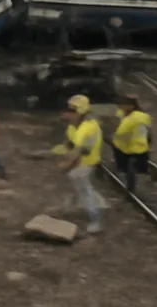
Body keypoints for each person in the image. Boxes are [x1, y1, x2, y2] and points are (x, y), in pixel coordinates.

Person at [60, 94, 104, 234]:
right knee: (80, 187)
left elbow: (78, 150)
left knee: (85, 191)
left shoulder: (87, 127)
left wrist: (67, 163)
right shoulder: (76, 125)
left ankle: (96, 221)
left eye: (71, 112)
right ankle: (73, 206)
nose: (67, 114)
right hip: (80, 163)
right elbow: (70, 142)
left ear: (80, 113)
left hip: (85, 163)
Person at [111, 96, 151, 194]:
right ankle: (133, 176)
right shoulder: (138, 116)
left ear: (131, 106)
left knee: (128, 166)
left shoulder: (136, 118)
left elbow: (122, 131)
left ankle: (131, 180)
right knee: (131, 165)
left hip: (131, 146)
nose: (121, 108)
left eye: (123, 106)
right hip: (135, 146)